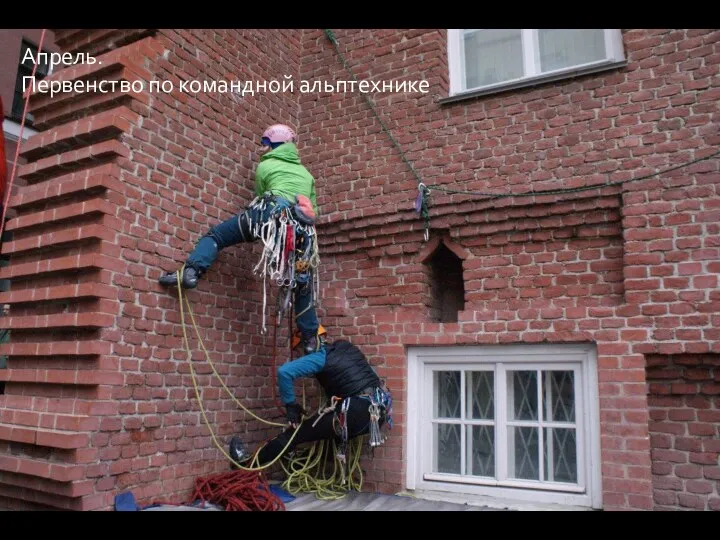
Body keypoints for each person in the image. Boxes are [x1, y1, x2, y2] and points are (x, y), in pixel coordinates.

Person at [158, 123, 323, 353]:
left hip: (268, 217)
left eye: (266, 144)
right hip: (300, 231)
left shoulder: (266, 165)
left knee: (217, 236)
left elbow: (260, 194)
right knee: (302, 282)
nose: (263, 149)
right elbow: (314, 210)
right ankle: (309, 338)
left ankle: (191, 271)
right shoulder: (307, 175)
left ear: (273, 144)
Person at [228, 331, 393, 468]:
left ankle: (246, 464)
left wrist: (291, 406)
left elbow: (284, 372)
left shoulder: (319, 357)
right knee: (326, 433)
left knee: (294, 435)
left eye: (299, 352)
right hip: (378, 410)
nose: (299, 356)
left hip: (355, 411)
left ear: (306, 346)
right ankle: (299, 461)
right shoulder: (346, 347)